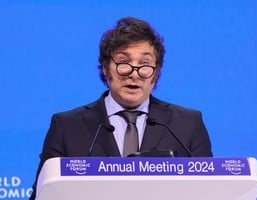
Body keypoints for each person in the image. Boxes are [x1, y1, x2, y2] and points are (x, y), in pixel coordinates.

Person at [29, 16, 213, 200]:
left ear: (156, 73)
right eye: (123, 62)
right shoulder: (67, 126)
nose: (134, 74)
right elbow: (42, 195)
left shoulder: (187, 124)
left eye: (145, 64)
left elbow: (209, 192)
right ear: (105, 67)